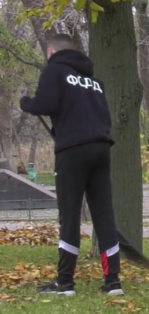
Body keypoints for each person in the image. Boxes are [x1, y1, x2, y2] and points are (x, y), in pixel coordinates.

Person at [20, 33, 125, 296]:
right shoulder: (94, 82)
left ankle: (65, 282)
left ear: (51, 52)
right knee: (103, 214)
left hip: (73, 150)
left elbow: (44, 104)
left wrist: (26, 103)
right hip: (101, 148)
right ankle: (113, 281)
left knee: (69, 214)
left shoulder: (54, 71)